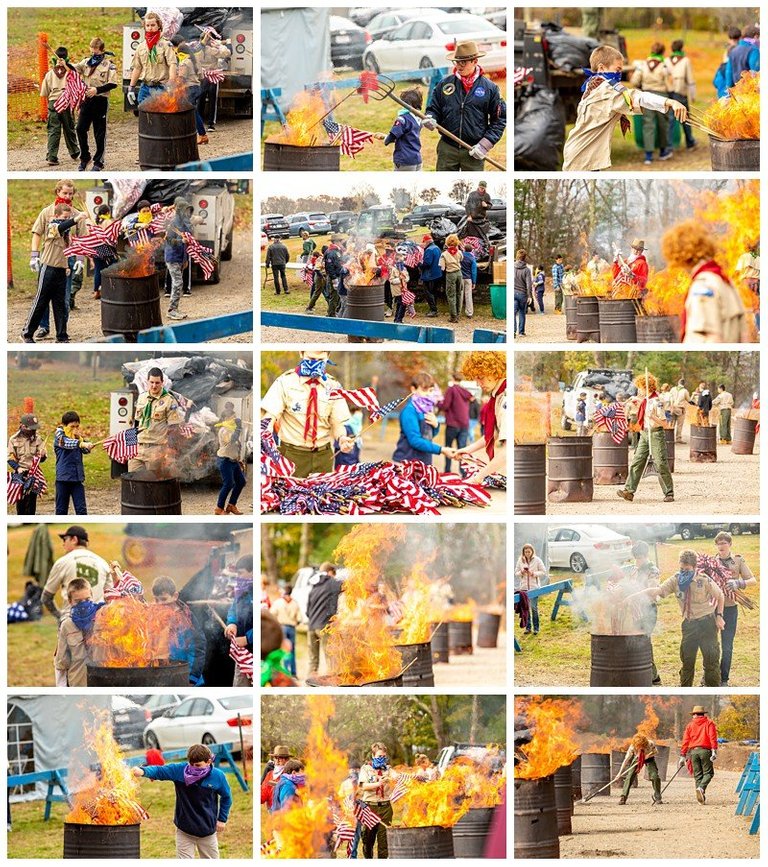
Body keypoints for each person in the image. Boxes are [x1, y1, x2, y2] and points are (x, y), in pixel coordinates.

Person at [562, 44, 687, 172]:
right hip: (583, 158)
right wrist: (669, 102)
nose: (619, 74)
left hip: (577, 151)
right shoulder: (607, 90)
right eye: (617, 70)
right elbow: (638, 96)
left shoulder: (593, 83)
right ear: (601, 68)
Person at [261, 350, 354, 477]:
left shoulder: (333, 386)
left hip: (323, 457)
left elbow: (337, 424)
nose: (314, 363)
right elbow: (269, 416)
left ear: (328, 356)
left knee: (322, 495)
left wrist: (342, 439)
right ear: (301, 353)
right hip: (292, 456)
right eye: (310, 358)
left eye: (320, 360)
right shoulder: (285, 383)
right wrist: (264, 433)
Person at [638, 549, 725, 686]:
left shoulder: (704, 580)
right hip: (689, 625)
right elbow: (657, 591)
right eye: (681, 568)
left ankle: (713, 688)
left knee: (711, 662)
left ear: (694, 567)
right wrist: (634, 596)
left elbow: (720, 596)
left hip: (707, 623)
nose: (684, 571)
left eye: (687, 569)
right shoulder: (676, 580)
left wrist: (719, 616)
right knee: (687, 662)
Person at [133, 743, 231, 858]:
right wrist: (143, 771)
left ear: (208, 762)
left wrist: (222, 819)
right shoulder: (179, 770)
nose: (194, 768)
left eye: (198, 765)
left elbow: (227, 797)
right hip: (184, 830)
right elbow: (160, 771)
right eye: (191, 764)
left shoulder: (217, 776)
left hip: (207, 832)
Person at [422, 41, 506, 171]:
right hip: (447, 147)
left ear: (475, 61)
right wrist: (430, 117)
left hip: (474, 150)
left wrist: (484, 145)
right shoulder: (444, 84)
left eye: (463, 62)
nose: (459, 66)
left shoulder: (490, 88)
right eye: (457, 62)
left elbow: (500, 120)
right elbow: (433, 108)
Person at [660, 220, 745, 343]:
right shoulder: (725, 281)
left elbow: (712, 336)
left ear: (682, 254)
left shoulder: (703, 286)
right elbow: (744, 335)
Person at [23, 201, 83, 343]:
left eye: (68, 218)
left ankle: (61, 336)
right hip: (48, 268)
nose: (66, 220)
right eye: (63, 217)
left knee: (60, 305)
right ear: (56, 216)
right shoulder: (53, 226)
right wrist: (76, 219)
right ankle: (27, 333)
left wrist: (74, 263)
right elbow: (61, 226)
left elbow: (67, 250)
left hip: (61, 270)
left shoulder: (67, 234)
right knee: (41, 302)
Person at [618, 373, 674, 503]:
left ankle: (669, 492)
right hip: (644, 433)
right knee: (637, 461)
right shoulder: (644, 401)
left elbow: (664, 423)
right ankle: (629, 491)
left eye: (640, 387)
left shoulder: (657, 401)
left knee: (660, 463)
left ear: (647, 388)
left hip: (655, 433)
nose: (638, 390)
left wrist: (652, 416)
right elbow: (640, 407)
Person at [455, 351, 507, 483]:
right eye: (475, 378)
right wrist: (468, 449)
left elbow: (508, 450)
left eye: (481, 377)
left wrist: (478, 477)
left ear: (495, 372)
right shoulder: (498, 395)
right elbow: (493, 432)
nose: (478, 383)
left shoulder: (505, 398)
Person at [714, 531, 757, 686]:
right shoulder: (712, 562)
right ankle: (710, 676)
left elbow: (753, 580)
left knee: (727, 645)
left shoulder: (737, 560)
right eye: (719, 543)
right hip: (713, 609)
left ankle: (723, 679)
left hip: (730, 609)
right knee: (711, 645)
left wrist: (738, 583)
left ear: (730, 544)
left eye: (724, 543)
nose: (721, 546)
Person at [41, 525, 112, 619]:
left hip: (71, 622)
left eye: (65, 539)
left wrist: (60, 617)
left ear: (74, 539)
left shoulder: (62, 562)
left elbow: (46, 597)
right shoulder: (103, 563)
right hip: (97, 623)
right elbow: (111, 598)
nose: (63, 544)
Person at [151, 575, 206, 686]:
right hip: (164, 675)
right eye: (156, 600)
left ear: (175, 596)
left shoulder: (186, 619)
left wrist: (191, 678)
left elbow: (197, 648)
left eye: (164, 599)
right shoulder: (154, 617)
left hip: (185, 676)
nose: (160, 603)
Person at [73, 38, 118, 171]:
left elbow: (113, 83)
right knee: (80, 128)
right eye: (92, 50)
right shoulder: (87, 62)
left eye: (96, 50)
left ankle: (98, 161)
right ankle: (85, 157)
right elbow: (74, 68)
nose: (94, 52)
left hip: (100, 100)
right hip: (86, 100)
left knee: (99, 132)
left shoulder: (109, 65)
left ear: (102, 50)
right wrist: (64, 63)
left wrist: (97, 90)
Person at [128, 368, 183, 473]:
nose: (154, 386)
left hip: (156, 449)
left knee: (152, 483)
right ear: (147, 381)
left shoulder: (169, 401)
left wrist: (170, 450)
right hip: (138, 449)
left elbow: (173, 428)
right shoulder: (142, 398)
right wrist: (130, 445)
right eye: (151, 382)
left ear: (162, 382)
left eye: (157, 383)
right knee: (133, 481)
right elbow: (136, 423)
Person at [393, 373, 454, 466]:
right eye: (424, 390)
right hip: (407, 462)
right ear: (413, 389)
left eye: (431, 390)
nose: (428, 394)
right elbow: (415, 441)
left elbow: (429, 436)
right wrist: (441, 450)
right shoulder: (409, 411)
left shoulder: (427, 408)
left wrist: (436, 425)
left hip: (423, 461)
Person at [630, 43, 674, 165]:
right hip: (661, 96)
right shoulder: (664, 66)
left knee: (648, 124)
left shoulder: (642, 65)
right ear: (662, 52)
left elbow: (634, 81)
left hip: (646, 97)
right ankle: (663, 151)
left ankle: (648, 155)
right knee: (662, 124)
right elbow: (669, 84)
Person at [127, 11, 178, 106]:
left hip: (161, 87)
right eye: (148, 25)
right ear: (145, 27)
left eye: (153, 25)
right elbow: (137, 68)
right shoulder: (141, 46)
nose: (150, 28)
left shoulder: (166, 45)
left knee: (161, 115)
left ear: (159, 26)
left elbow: (172, 64)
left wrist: (171, 83)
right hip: (145, 88)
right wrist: (131, 87)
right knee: (144, 115)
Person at [40, 48, 80, 166]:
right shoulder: (70, 72)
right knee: (69, 128)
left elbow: (44, 93)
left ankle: (52, 157)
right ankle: (74, 152)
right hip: (66, 103)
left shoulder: (49, 74)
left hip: (53, 103)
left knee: (53, 130)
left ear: (54, 59)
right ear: (67, 59)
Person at [52, 577, 95, 687]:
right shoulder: (67, 626)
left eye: (87, 599)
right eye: (78, 601)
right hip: (77, 685)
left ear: (92, 596)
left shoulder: (102, 621)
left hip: (101, 686)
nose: (84, 604)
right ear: (70, 601)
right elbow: (61, 664)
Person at [630, 540, 661, 684]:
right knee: (639, 643)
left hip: (648, 609)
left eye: (640, 557)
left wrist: (636, 593)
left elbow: (653, 591)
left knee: (644, 643)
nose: (638, 560)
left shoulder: (652, 570)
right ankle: (649, 676)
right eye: (636, 558)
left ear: (646, 555)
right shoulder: (635, 569)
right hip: (636, 610)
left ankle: (653, 677)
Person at [357, 743, 396, 858]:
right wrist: (378, 784)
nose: (382, 758)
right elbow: (363, 786)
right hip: (370, 807)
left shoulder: (388, 769)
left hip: (385, 807)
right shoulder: (366, 769)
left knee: (384, 840)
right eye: (379, 756)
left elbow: (397, 778)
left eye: (384, 756)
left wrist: (391, 779)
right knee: (368, 839)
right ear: (373, 756)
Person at [164, 197, 198, 320]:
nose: (187, 214)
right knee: (178, 283)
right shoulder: (172, 224)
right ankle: (171, 310)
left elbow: (188, 242)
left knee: (178, 283)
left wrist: (185, 260)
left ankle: (175, 309)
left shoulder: (184, 224)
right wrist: (180, 241)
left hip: (180, 258)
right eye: (185, 211)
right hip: (172, 257)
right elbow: (168, 240)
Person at [306, 563, 343, 675]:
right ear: (330, 572)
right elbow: (349, 586)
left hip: (311, 627)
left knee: (313, 661)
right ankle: (332, 683)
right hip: (324, 627)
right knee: (331, 658)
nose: (334, 576)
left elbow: (307, 611)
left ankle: (310, 683)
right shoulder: (332, 583)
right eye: (334, 574)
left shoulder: (314, 586)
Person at [53, 410, 93, 515]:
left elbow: (85, 450)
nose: (75, 429)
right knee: (61, 510)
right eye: (72, 427)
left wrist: (88, 445)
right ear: (64, 425)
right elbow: (67, 443)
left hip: (77, 479)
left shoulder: (77, 438)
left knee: (81, 510)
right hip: (63, 479)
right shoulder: (59, 437)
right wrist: (81, 444)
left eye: (77, 426)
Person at [7, 413, 48, 515]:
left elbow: (42, 458)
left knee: (31, 501)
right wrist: (18, 468)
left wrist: (42, 455)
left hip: (34, 473)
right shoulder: (13, 439)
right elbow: (10, 457)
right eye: (31, 428)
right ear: (23, 426)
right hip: (20, 473)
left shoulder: (38, 439)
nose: (33, 430)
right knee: (20, 501)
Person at [678, 706, 719, 804]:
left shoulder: (690, 725)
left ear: (695, 715)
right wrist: (714, 750)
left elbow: (685, 741)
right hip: (705, 751)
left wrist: (682, 756)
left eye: (693, 715)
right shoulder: (709, 723)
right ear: (703, 714)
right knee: (709, 773)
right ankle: (701, 788)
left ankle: (701, 799)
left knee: (698, 775)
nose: (693, 717)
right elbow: (712, 737)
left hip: (693, 752)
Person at [224, 555, 253, 687]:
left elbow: (264, 625)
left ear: (252, 572)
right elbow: (233, 609)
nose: (238, 577)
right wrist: (232, 623)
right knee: (240, 685)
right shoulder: (241, 591)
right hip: (241, 652)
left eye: (241, 573)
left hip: (256, 652)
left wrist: (248, 638)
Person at [214, 401, 245, 516]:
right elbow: (231, 441)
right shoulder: (224, 430)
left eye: (234, 417)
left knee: (241, 482)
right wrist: (238, 429)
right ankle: (219, 508)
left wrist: (238, 459)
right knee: (228, 483)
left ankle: (231, 505)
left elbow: (236, 445)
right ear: (226, 419)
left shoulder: (231, 428)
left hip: (233, 460)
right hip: (225, 460)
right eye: (232, 417)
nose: (234, 418)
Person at [665, 40, 697, 150]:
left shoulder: (666, 61)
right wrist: (693, 95)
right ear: (681, 48)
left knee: (670, 120)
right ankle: (690, 142)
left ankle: (668, 146)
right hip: (681, 94)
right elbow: (690, 79)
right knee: (685, 118)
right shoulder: (685, 61)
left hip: (669, 94)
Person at [438, 374, 473, 473]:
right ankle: (464, 473)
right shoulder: (466, 392)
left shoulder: (451, 389)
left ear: (452, 379)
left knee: (448, 448)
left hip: (453, 423)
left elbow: (445, 405)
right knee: (462, 449)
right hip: (464, 424)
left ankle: (447, 471)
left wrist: (437, 403)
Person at [383, 86, 423, 170]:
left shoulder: (403, 119)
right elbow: (406, 134)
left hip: (404, 160)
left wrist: (386, 140)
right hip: (417, 159)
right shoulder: (419, 118)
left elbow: (393, 135)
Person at [618, 734, 662, 805]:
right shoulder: (632, 747)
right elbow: (626, 760)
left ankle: (658, 797)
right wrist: (619, 773)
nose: (640, 747)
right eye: (638, 746)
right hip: (638, 758)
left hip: (649, 758)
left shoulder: (650, 743)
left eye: (641, 746)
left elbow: (656, 752)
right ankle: (623, 797)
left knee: (655, 776)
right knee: (629, 776)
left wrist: (648, 756)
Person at [514, 543, 546, 635]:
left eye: (529, 551)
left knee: (534, 608)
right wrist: (522, 572)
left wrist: (533, 573)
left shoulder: (537, 560)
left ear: (532, 551)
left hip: (534, 587)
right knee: (526, 608)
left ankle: (536, 628)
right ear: (523, 552)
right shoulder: (520, 560)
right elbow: (516, 572)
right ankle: (528, 628)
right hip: (524, 588)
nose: (527, 553)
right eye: (525, 551)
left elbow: (543, 571)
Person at [270, 585, 300, 677]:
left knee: (284, 650)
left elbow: (271, 614)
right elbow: (299, 618)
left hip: (281, 627)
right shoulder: (295, 603)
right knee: (292, 650)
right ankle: (294, 673)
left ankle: (286, 673)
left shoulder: (278, 602)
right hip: (292, 628)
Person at [91, 204, 118, 299]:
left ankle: (96, 291)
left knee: (98, 270)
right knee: (111, 268)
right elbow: (112, 236)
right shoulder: (108, 221)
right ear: (108, 212)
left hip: (97, 248)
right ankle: (108, 289)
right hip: (107, 248)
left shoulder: (97, 222)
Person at [725, 24, 760, 89]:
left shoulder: (733, 50)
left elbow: (729, 72)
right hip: (750, 90)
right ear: (756, 36)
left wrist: (729, 88)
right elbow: (756, 72)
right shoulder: (754, 50)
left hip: (737, 90)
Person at [439, 233, 463, 323]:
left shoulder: (444, 254)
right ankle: (458, 313)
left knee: (451, 295)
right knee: (459, 294)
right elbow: (461, 259)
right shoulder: (459, 252)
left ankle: (453, 316)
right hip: (459, 273)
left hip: (450, 274)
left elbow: (442, 267)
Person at [261, 745, 291, 811]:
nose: (277, 760)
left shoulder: (290, 774)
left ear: (287, 759)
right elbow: (264, 790)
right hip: (272, 809)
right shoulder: (270, 773)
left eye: (280, 758)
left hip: (286, 810)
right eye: (275, 757)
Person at [714, 27, 743, 97]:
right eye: (732, 39)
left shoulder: (729, 49)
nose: (734, 42)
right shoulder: (738, 49)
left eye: (735, 40)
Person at [420, 234, 443, 317]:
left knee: (428, 292)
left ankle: (433, 310)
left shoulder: (429, 250)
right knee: (434, 292)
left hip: (429, 275)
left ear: (426, 241)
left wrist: (419, 264)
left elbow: (427, 263)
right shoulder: (437, 248)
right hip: (438, 274)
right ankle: (434, 308)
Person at [514, 249, 532, 337]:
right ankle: (521, 332)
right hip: (522, 294)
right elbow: (529, 284)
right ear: (525, 258)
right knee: (521, 312)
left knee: (513, 312)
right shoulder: (527, 270)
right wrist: (530, 296)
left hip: (513, 293)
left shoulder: (512, 267)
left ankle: (512, 331)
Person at [669, 378, 691, 443]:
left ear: (678, 383)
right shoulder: (685, 391)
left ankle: (670, 438)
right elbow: (689, 400)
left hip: (672, 408)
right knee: (679, 424)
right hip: (680, 409)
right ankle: (678, 438)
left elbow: (669, 397)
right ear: (684, 384)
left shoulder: (673, 389)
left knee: (672, 424)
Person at [460, 243, 478, 318]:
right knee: (468, 296)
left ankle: (458, 311)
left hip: (460, 277)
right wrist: (474, 282)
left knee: (459, 295)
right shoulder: (472, 258)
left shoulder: (460, 256)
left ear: (464, 249)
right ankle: (469, 313)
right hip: (468, 279)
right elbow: (474, 271)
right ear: (471, 250)